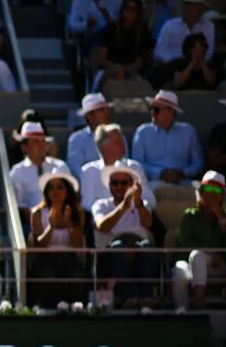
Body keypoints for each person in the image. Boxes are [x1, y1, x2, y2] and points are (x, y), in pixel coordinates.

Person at [92, 163, 158, 309]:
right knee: (118, 247)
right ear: (109, 185)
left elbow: (148, 223)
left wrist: (138, 203)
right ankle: (126, 297)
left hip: (138, 246)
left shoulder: (142, 204)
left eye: (124, 183)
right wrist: (124, 206)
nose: (119, 187)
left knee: (148, 247)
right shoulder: (100, 205)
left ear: (131, 185)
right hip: (109, 252)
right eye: (115, 183)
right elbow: (102, 226)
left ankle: (146, 297)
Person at [28, 172, 87, 307]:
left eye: (60, 187)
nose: (55, 191)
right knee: (47, 276)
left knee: (76, 275)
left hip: (70, 257)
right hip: (45, 258)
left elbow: (78, 245)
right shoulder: (37, 212)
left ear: (67, 191)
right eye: (51, 187)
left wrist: (69, 225)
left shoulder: (77, 212)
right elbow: (39, 246)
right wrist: (52, 227)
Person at [172, 171, 226, 311]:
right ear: (201, 192)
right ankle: (182, 311)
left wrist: (221, 219)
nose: (211, 194)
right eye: (208, 189)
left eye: (216, 190)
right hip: (190, 263)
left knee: (199, 256)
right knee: (180, 270)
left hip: (217, 266)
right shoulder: (190, 215)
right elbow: (184, 243)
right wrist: (209, 253)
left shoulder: (224, 217)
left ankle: (199, 307)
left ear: (222, 195)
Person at [131, 90, 203, 191]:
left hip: (183, 182)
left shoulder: (188, 131)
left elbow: (198, 163)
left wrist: (183, 173)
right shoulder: (143, 132)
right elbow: (136, 164)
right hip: (153, 184)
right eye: (151, 109)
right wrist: (160, 173)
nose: (152, 113)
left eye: (156, 109)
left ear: (171, 112)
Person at [80, 123, 152, 211]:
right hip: (102, 218)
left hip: (133, 216)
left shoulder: (134, 167)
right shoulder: (89, 171)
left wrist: (130, 209)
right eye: (118, 142)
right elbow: (87, 203)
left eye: (123, 141)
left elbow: (150, 199)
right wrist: (111, 212)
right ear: (104, 147)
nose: (123, 145)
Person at [10, 121, 71, 220]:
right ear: (24, 147)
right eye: (36, 142)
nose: (42, 145)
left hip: (63, 221)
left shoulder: (60, 166)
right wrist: (38, 223)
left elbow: (71, 198)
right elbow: (21, 207)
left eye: (43, 141)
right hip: (32, 223)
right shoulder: (17, 172)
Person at [67, 92, 112, 179]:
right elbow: (76, 170)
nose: (107, 113)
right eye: (101, 110)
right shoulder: (76, 139)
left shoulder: (117, 137)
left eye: (107, 110)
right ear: (89, 116)